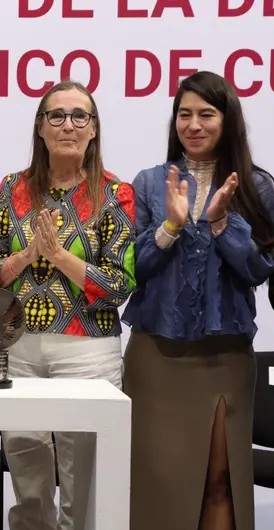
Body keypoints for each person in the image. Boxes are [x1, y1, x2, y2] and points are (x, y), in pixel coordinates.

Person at [0, 80, 136, 530]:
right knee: (27, 480)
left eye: (79, 115)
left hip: (87, 352)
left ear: (94, 129)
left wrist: (59, 257)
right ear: (41, 128)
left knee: (82, 486)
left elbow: (120, 284)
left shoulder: (116, 193)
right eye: (57, 115)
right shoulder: (13, 188)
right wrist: (27, 256)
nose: (68, 125)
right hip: (17, 348)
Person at [121, 71, 274, 530]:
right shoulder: (150, 183)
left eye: (206, 114)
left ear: (227, 120)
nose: (193, 125)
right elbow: (132, 269)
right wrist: (170, 226)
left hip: (224, 358)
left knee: (219, 481)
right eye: (184, 114)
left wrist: (222, 223)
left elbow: (258, 270)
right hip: (156, 357)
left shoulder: (257, 186)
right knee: (155, 484)